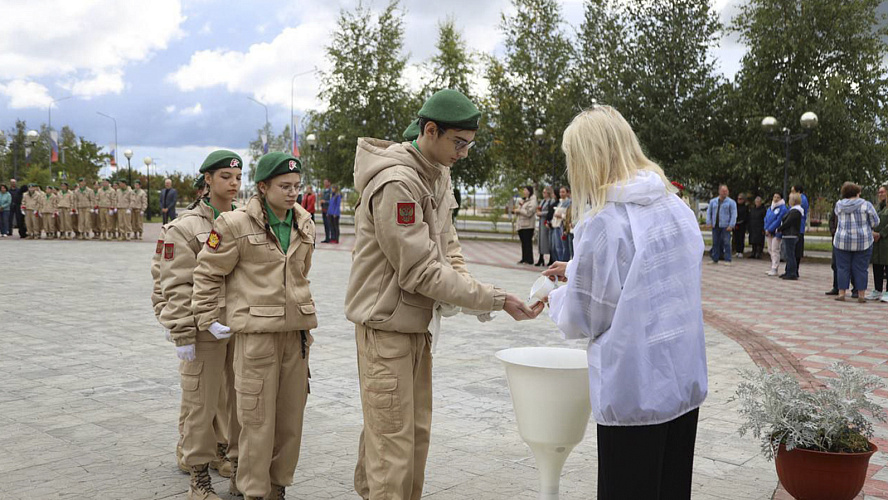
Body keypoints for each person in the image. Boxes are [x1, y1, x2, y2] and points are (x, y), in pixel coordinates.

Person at [345, 89, 540, 500]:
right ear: (430, 130)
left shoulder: (436, 172)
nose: (465, 153)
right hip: (386, 328)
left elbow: (448, 244)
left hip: (415, 325)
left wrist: (463, 287)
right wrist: (494, 298)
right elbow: (419, 269)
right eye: (459, 143)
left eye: (469, 144)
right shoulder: (398, 182)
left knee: (409, 435)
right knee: (393, 446)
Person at [543, 105, 707, 500]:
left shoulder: (605, 220)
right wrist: (580, 269)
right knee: (671, 487)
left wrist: (554, 296)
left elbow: (585, 317)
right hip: (680, 379)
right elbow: (649, 277)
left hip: (634, 389)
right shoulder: (673, 206)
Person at [192, 152, 316, 500]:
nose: (292, 193)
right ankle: (253, 491)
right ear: (262, 187)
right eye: (283, 186)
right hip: (256, 338)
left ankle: (278, 487)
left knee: (290, 422)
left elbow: (301, 273)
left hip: (297, 335)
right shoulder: (234, 224)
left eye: (296, 186)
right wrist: (208, 318)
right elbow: (207, 272)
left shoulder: (304, 222)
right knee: (256, 422)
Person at [160, 151, 242, 499]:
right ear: (207, 179)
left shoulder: (243, 220)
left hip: (235, 325)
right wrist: (181, 330)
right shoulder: (185, 227)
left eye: (238, 177)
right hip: (201, 326)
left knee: (230, 398)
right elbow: (175, 283)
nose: (234, 183)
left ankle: (220, 449)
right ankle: (196, 471)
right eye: (225, 176)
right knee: (200, 401)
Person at [833, 182, 880, 302]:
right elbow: (876, 222)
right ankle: (861, 295)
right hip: (863, 241)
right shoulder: (866, 205)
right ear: (858, 192)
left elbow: (837, 217)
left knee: (842, 267)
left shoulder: (839, 205)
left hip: (842, 241)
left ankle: (841, 293)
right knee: (861, 268)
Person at [706, 185, 737, 265]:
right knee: (715, 242)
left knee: (727, 242)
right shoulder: (713, 201)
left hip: (726, 225)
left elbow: (734, 214)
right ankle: (715, 259)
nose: (725, 193)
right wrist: (709, 222)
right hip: (715, 225)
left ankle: (728, 259)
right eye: (723, 191)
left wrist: (731, 225)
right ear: (719, 191)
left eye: (726, 191)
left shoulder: (731, 202)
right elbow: (709, 212)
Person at [778, 192, 803, 280]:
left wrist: (780, 228)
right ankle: (788, 271)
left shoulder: (796, 211)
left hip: (791, 235)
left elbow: (788, 222)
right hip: (788, 235)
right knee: (788, 254)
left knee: (790, 255)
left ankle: (792, 272)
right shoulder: (793, 210)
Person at [870, 185, 888, 302]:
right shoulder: (878, 207)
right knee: (877, 265)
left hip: (885, 240)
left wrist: (881, 234)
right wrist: (873, 233)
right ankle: (877, 290)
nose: (880, 194)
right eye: (879, 192)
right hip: (876, 242)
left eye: (882, 192)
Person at [514, 185, 537, 265]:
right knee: (523, 243)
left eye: (525, 190)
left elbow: (529, 212)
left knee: (527, 243)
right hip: (521, 225)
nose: (524, 192)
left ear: (529, 191)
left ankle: (529, 259)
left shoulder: (532, 201)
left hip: (528, 225)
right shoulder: (524, 200)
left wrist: (520, 210)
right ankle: (524, 258)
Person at [790, 185, 809, 275]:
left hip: (798, 229)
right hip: (796, 228)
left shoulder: (802, 200)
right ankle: (791, 269)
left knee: (796, 251)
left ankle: (795, 270)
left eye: (792, 191)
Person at [535, 186, 555, 266]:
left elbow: (550, 212)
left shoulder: (551, 201)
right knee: (540, 240)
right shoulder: (543, 201)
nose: (543, 194)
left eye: (544, 192)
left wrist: (541, 213)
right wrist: (538, 212)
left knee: (547, 240)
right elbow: (540, 209)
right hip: (541, 222)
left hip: (546, 222)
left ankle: (551, 258)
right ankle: (541, 257)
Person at [552, 186, 572, 262]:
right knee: (557, 247)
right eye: (560, 192)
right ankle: (558, 261)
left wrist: (561, 216)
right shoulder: (560, 202)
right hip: (556, 225)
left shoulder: (568, 202)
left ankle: (563, 263)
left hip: (562, 226)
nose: (561, 194)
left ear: (567, 193)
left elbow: (568, 215)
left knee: (563, 247)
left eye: (563, 192)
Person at [732, 193, 748, 257]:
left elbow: (746, 217)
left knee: (741, 238)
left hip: (742, 224)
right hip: (735, 224)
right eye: (738, 198)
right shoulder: (735, 206)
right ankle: (737, 251)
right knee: (736, 238)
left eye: (740, 199)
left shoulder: (745, 207)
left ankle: (741, 251)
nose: (739, 200)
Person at [321, 178, 332, 242]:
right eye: (324, 182)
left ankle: (330, 237)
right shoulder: (324, 191)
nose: (324, 184)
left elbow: (331, 201)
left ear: (329, 183)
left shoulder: (330, 191)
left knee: (328, 224)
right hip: (323, 209)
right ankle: (326, 237)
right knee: (325, 224)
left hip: (328, 210)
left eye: (326, 182)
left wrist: (325, 201)